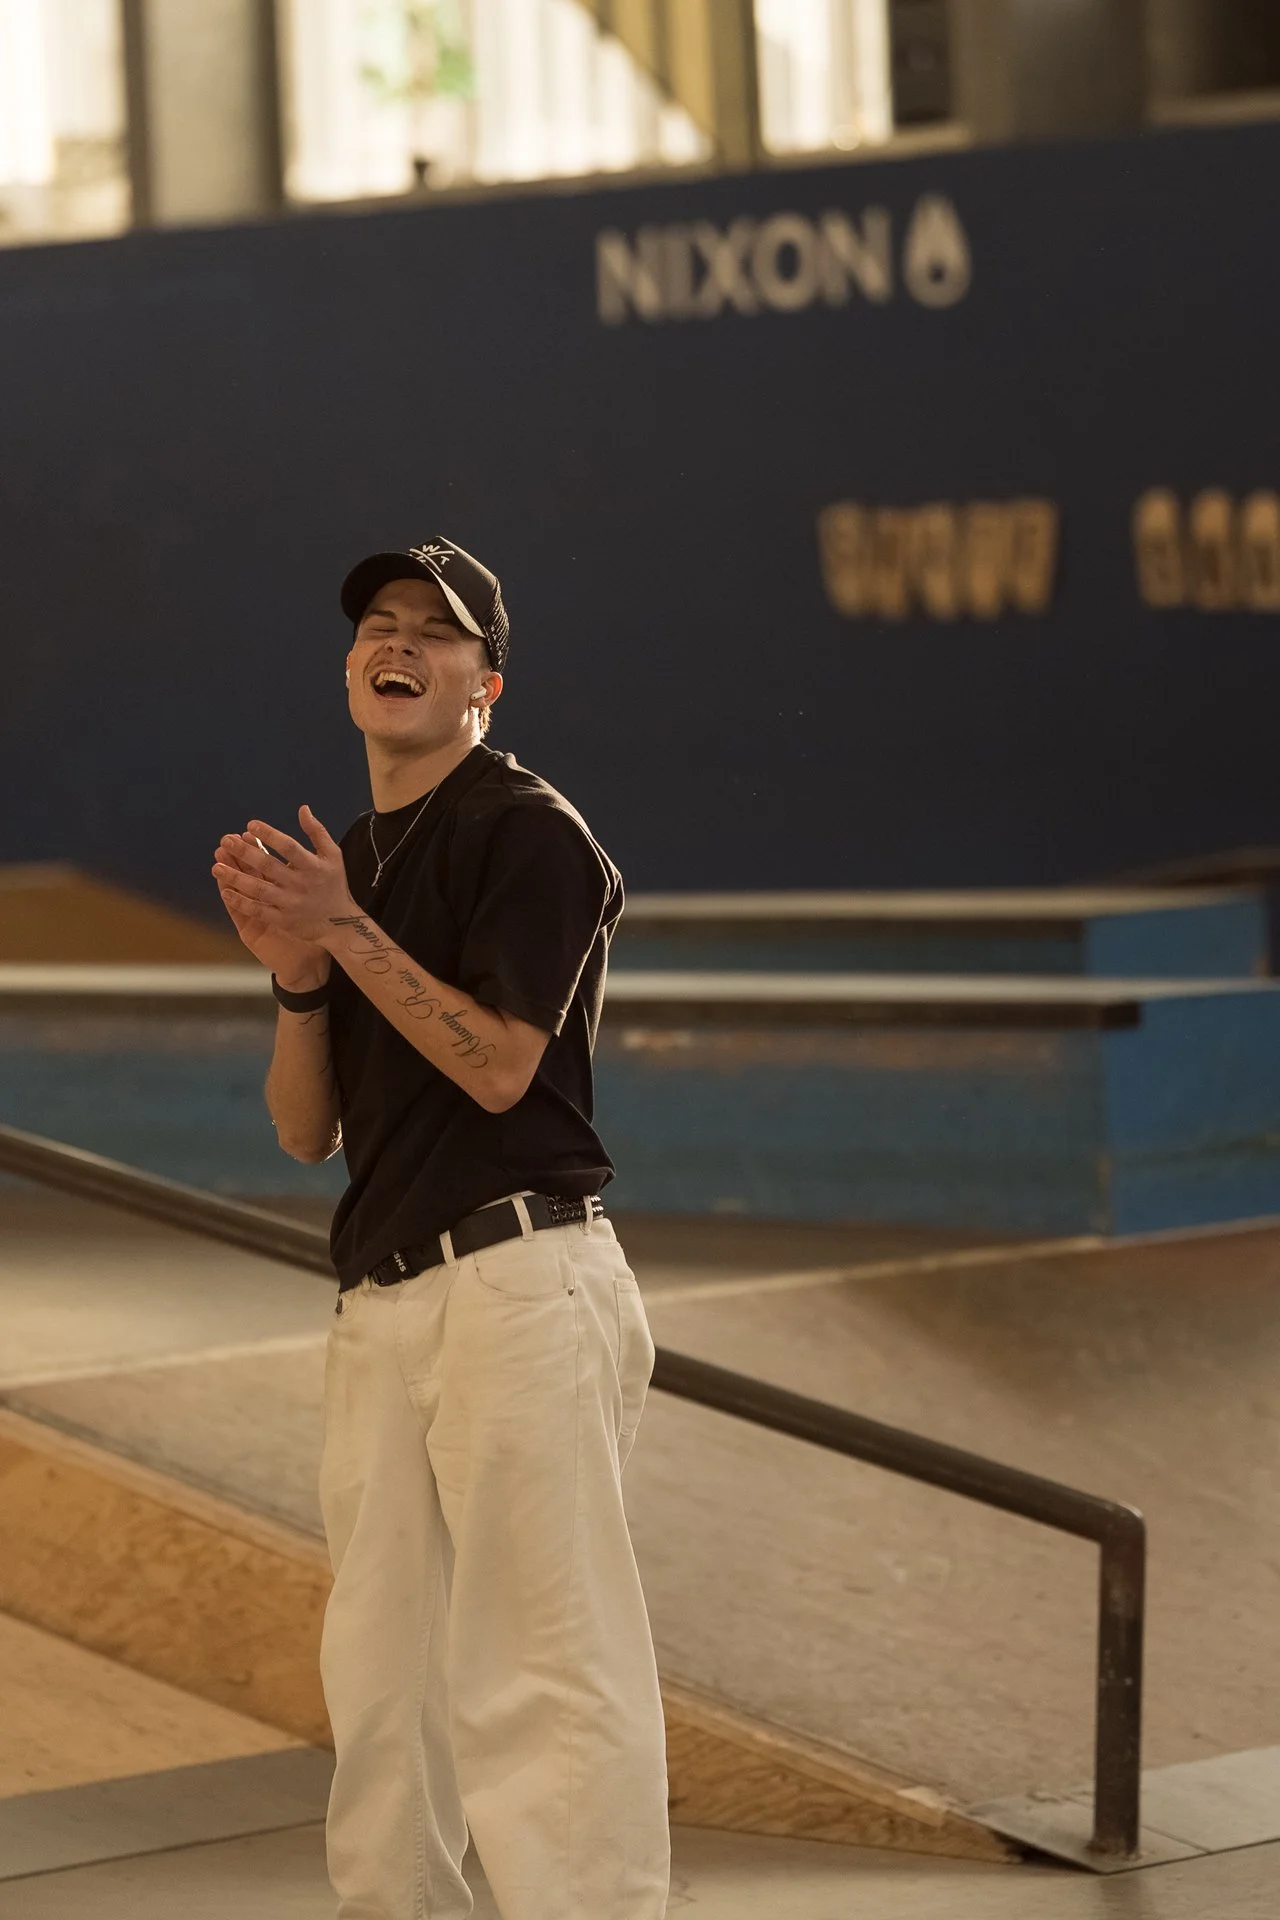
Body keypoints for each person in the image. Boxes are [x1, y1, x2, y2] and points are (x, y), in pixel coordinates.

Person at [211, 536, 669, 1920]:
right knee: (385, 1682)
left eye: (436, 630)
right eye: (377, 626)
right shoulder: (349, 861)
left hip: (521, 1279)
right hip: (387, 1303)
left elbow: (497, 1067)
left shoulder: (530, 834)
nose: (396, 642)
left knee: (544, 1666)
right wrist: (300, 977)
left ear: (489, 685)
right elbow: (306, 1132)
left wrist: (342, 935)